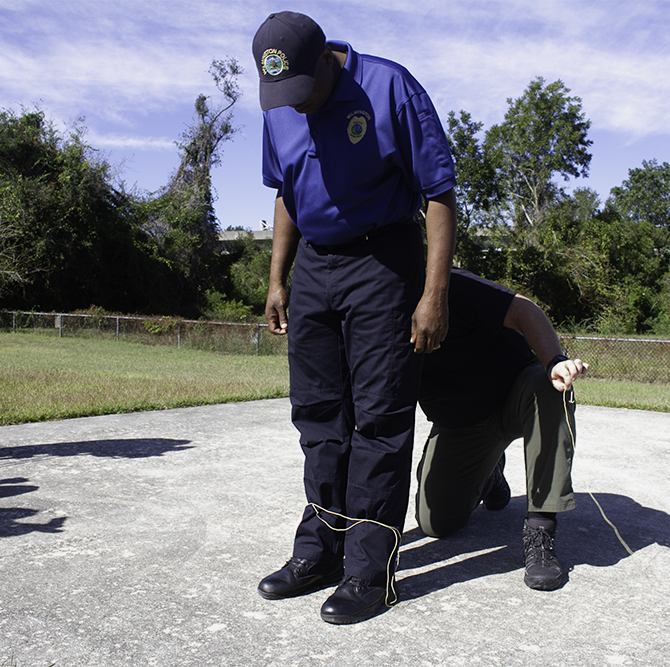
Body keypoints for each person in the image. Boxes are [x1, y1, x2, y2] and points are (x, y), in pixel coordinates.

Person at [251, 12, 457, 624]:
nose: (295, 107)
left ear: (326, 60)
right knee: (317, 412)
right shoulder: (281, 104)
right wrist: (277, 279)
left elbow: (440, 191)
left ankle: (371, 570)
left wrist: (433, 293)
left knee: (379, 416)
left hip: (382, 261)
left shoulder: (390, 87)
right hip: (313, 265)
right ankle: (321, 550)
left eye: (301, 90)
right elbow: (286, 191)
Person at [415, 268, 588, 591]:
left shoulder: (444, 286)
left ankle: (541, 528)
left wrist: (554, 361)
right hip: (461, 423)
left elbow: (524, 309)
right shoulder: (367, 310)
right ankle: (489, 472)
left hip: (516, 394)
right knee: (434, 522)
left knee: (549, 386)